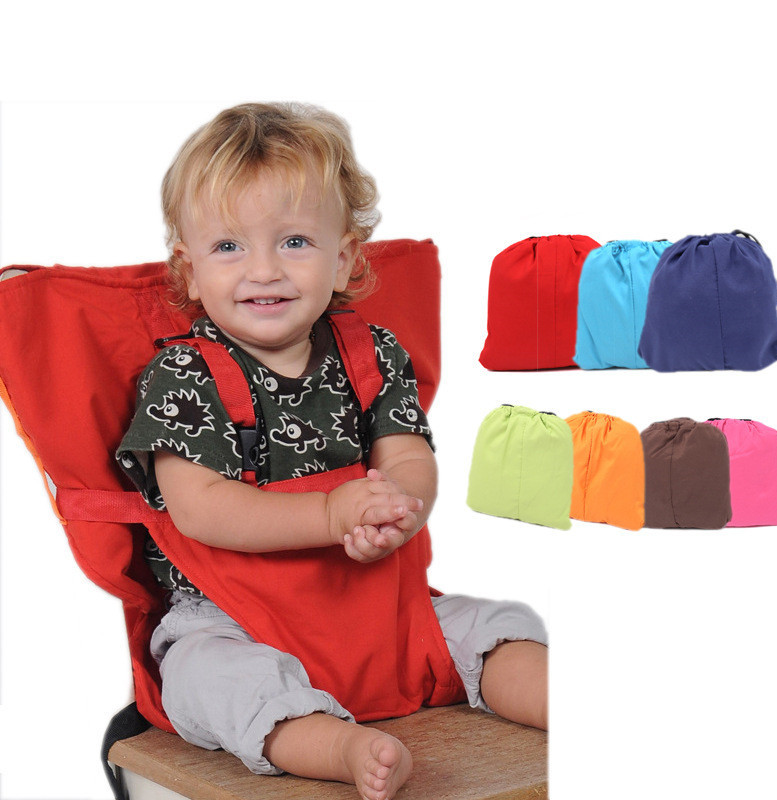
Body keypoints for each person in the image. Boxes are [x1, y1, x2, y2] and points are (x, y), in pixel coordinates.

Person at [117, 102, 548, 800]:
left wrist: (399, 508)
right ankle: (339, 746)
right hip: (234, 618)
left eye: (294, 241)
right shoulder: (184, 375)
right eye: (228, 247)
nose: (263, 270)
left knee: (499, 628)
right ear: (188, 271)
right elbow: (201, 509)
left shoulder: (371, 354)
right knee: (204, 679)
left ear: (343, 258)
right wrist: (330, 514)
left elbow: (408, 455)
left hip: (380, 608)